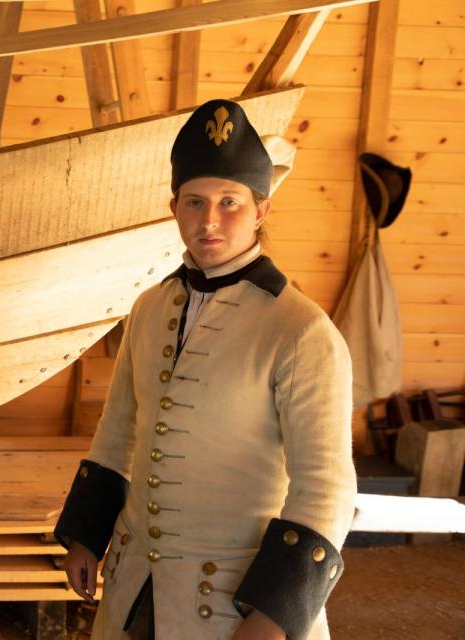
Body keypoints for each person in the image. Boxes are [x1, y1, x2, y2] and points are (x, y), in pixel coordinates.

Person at [54, 99, 357, 640]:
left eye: (229, 201)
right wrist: (87, 534)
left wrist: (275, 615)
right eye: (194, 201)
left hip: (233, 604)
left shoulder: (301, 331)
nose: (209, 220)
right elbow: (120, 426)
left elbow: (325, 485)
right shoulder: (148, 307)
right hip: (132, 583)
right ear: (174, 208)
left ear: (261, 210)